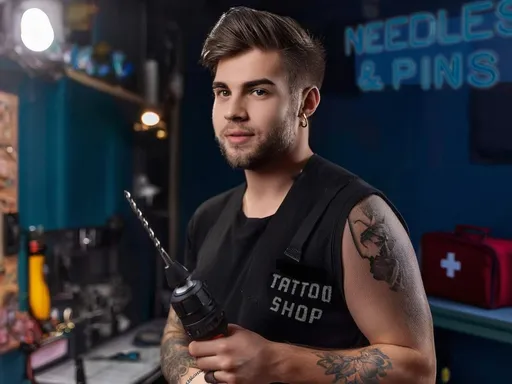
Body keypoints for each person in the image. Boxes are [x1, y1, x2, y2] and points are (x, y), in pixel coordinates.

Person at [160, 6, 436, 384]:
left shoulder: (357, 217)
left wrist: (276, 362)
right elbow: (176, 333)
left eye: (258, 91)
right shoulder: (207, 217)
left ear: (306, 103)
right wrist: (192, 379)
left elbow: (418, 368)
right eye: (223, 92)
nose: (233, 112)